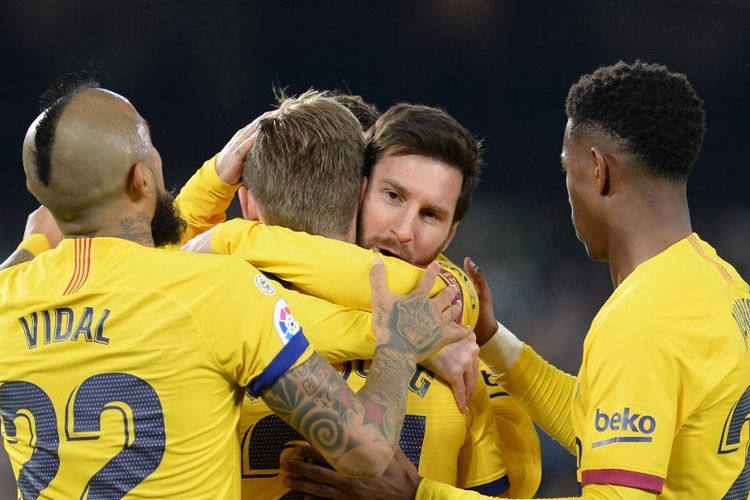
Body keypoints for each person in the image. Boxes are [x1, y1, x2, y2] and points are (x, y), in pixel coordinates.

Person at [284, 61, 750, 499]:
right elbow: (600, 426)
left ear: (598, 170)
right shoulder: (720, 284)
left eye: (568, 169)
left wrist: (418, 492)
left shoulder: (642, 318)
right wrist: (492, 339)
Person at [0, 73, 466, 498]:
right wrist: (398, 347)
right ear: (141, 178)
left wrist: (34, 243)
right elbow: (366, 451)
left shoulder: (8, 301)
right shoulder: (219, 290)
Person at [183, 101, 541, 497]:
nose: (404, 230)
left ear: (450, 234)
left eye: (430, 215)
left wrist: (228, 231)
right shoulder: (453, 345)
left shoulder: (216, 307)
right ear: (359, 191)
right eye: (393, 196)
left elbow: (146, 266)